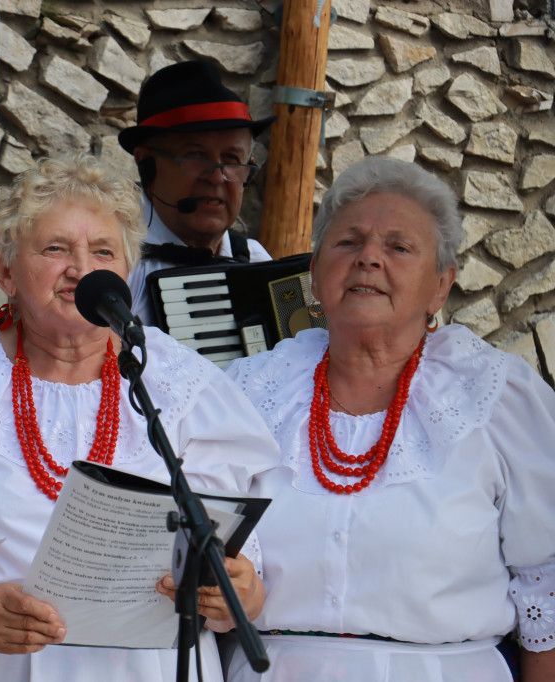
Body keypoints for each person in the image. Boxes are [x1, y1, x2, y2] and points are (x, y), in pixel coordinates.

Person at [0, 155, 281, 682]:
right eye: (56, 248)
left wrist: (234, 595)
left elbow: (250, 586)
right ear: (4, 271)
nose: (81, 268)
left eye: (103, 251)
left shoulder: (184, 386)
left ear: (126, 271)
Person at [218, 156, 555, 681]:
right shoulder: (248, 392)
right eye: (348, 242)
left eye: (398, 247)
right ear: (313, 273)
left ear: (441, 286)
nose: (369, 258)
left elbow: (546, 591)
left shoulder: (496, 399)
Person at [120, 60, 277, 326]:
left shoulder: (257, 263)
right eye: (196, 157)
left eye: (231, 159)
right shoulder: (115, 261)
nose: (216, 177)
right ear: (146, 165)